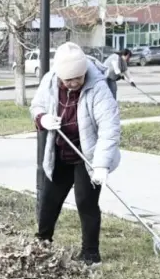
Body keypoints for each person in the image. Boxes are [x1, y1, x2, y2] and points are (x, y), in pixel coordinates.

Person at [30, 42, 121, 265]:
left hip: (88, 155)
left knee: (86, 202)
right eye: (68, 80)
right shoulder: (50, 80)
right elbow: (36, 106)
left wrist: (101, 165)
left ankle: (90, 254)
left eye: (78, 78)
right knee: (49, 199)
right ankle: (42, 242)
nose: (74, 83)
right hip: (60, 150)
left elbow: (109, 130)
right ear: (59, 76)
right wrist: (42, 118)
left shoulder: (98, 87)